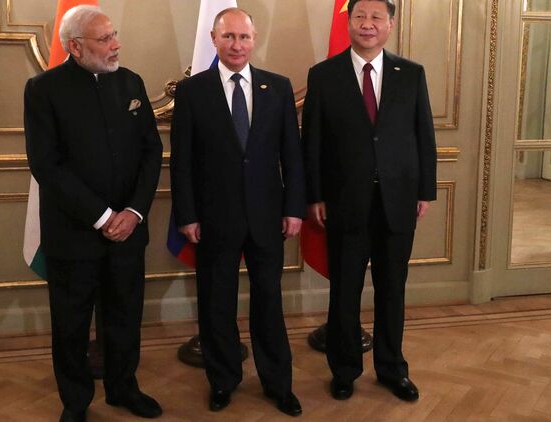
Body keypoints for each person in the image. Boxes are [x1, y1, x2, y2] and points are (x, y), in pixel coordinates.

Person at [23, 6, 163, 422]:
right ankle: (76, 401)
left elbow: (151, 150)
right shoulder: (43, 89)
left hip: (129, 230)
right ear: (76, 47)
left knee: (124, 317)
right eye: (105, 39)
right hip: (75, 232)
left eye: (114, 34)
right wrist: (102, 217)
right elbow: (46, 164)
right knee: (71, 324)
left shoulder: (131, 82)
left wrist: (133, 212)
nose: (116, 44)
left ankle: (124, 388)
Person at [170, 7, 305, 417]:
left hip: (268, 217)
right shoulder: (192, 91)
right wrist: (187, 215)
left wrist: (294, 208)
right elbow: (182, 162)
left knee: (269, 304)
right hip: (213, 219)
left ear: (254, 40)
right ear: (213, 39)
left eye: (244, 37)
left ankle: (278, 384)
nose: (236, 45)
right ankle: (223, 381)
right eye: (228, 36)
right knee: (217, 304)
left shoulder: (277, 87)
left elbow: (292, 155)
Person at [302, 0, 437, 403]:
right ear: (349, 22)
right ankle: (344, 370)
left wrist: (425, 191)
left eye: (377, 17)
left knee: (392, 290)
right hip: (344, 202)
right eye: (360, 16)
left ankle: (392, 369)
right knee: (344, 291)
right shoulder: (323, 75)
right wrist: (315, 195)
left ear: (390, 25)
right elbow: (312, 141)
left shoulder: (411, 74)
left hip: (398, 201)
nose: (367, 24)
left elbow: (424, 136)